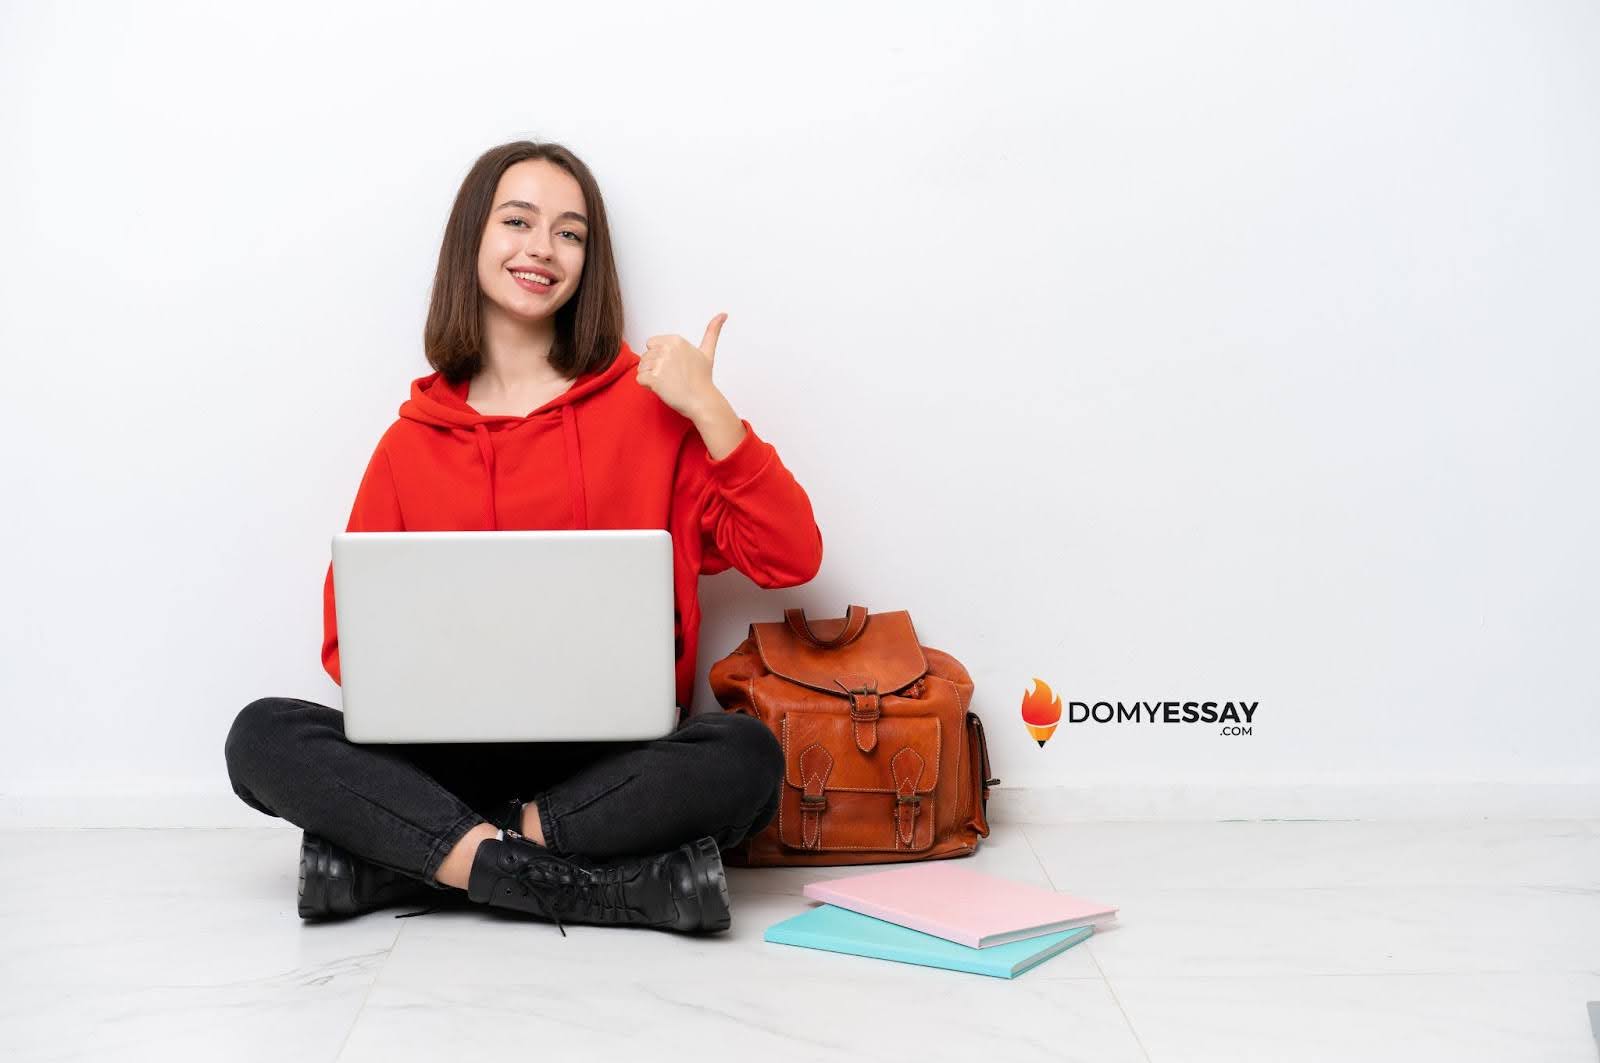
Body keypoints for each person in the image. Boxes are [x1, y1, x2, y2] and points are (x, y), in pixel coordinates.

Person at [224, 140, 823, 935]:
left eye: (570, 233)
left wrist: (710, 410)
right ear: (473, 238)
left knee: (746, 755)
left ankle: (416, 858)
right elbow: (350, 647)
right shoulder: (410, 443)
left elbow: (790, 558)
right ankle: (612, 887)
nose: (543, 248)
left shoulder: (652, 411)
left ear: (588, 260)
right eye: (518, 221)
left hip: (605, 763)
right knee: (261, 735)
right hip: (445, 762)